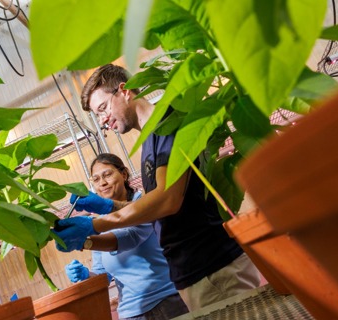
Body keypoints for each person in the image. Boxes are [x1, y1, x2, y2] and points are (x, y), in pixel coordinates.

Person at [55, 64, 262, 311]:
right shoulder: (151, 142)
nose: (103, 121)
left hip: (213, 267)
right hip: (196, 273)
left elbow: (168, 200)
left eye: (103, 109)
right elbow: (158, 205)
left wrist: (94, 225)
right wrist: (109, 207)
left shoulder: (167, 124)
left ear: (125, 90)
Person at [64, 153, 188, 320]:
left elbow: (130, 236)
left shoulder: (142, 203)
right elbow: (104, 276)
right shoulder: (98, 223)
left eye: (107, 174)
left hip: (167, 302)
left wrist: (85, 241)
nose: (103, 182)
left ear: (123, 174)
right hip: (130, 312)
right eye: (96, 179)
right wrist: (86, 275)